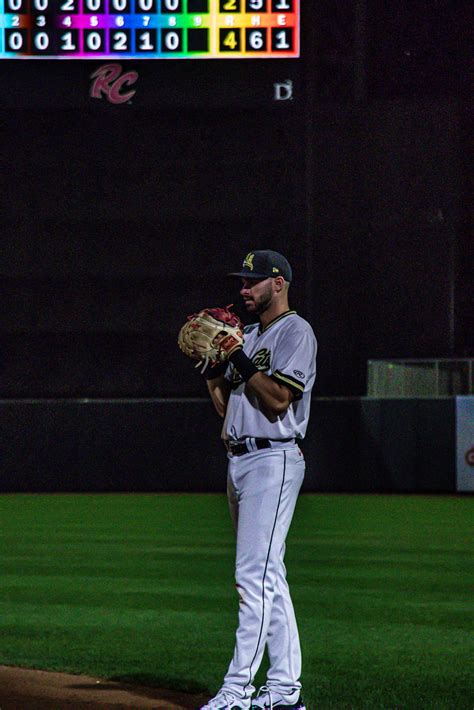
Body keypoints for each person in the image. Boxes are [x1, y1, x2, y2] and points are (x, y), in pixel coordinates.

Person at [200, 250, 317, 710]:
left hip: (274, 459)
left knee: (251, 577)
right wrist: (213, 364)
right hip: (239, 459)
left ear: (279, 283)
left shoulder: (296, 332)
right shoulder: (246, 334)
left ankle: (237, 690)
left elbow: (278, 400)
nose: (244, 290)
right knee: (269, 575)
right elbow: (227, 406)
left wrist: (240, 359)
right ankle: (285, 690)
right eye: (242, 282)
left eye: (253, 282)